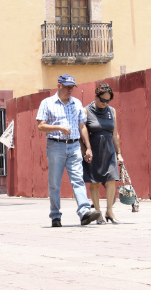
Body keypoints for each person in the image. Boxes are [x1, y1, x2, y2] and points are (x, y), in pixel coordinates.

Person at [36, 74, 101, 227]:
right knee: (54, 183)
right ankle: (55, 215)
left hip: (74, 146)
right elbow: (41, 126)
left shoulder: (77, 103)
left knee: (78, 179)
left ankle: (84, 212)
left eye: (72, 87)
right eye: (67, 87)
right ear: (59, 85)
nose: (70, 90)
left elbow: (82, 126)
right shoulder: (47, 103)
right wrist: (58, 127)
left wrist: (88, 148)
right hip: (55, 145)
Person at [82, 84, 123, 224]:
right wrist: (86, 150)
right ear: (95, 96)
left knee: (112, 180)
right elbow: (82, 132)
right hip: (93, 150)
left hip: (109, 150)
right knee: (94, 182)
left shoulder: (112, 111)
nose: (105, 103)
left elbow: (115, 134)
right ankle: (98, 213)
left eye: (108, 100)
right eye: (102, 100)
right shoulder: (86, 111)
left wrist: (119, 153)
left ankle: (109, 211)